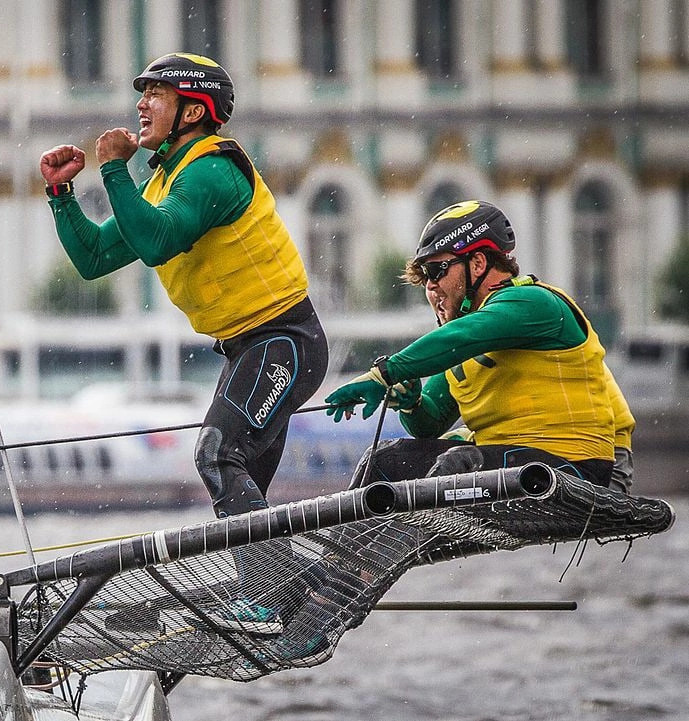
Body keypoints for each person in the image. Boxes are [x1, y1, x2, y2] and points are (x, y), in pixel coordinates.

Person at [40, 52, 328, 632]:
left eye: (156, 94)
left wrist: (114, 170)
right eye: (140, 92)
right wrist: (60, 197)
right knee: (240, 478)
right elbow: (95, 258)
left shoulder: (210, 170)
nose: (140, 104)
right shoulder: (167, 178)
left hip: (283, 339)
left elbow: (158, 241)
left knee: (218, 455)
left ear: (193, 110)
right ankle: (289, 592)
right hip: (251, 348)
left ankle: (277, 596)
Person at [325, 199, 628, 489]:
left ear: (479, 262)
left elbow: (461, 337)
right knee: (382, 461)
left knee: (458, 465)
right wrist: (412, 404)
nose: (431, 288)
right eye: (424, 279)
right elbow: (429, 426)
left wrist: (387, 373)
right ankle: (343, 545)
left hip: (576, 467)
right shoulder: (463, 341)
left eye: (437, 272)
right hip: (505, 462)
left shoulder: (533, 301)